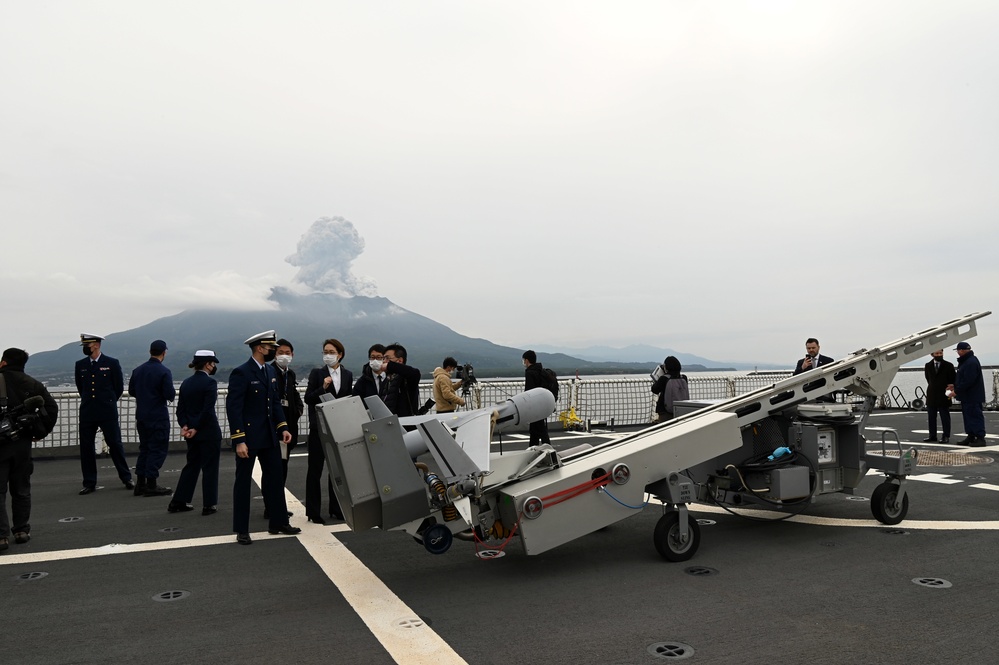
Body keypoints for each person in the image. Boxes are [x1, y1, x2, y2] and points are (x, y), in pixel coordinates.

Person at [226, 330, 300, 545]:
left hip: (269, 436)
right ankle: (241, 529)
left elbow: (274, 403)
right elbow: (234, 408)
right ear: (260, 348)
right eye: (271, 348)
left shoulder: (269, 371)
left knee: (275, 480)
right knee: (243, 483)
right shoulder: (242, 373)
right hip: (248, 438)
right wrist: (239, 439)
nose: (274, 352)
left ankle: (278, 521)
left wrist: (283, 427)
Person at [0, 348, 58, 552]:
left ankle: (1, 536)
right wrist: (39, 433)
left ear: (3, 363)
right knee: (21, 489)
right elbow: (51, 409)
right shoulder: (32, 384)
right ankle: (21, 530)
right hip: (22, 445)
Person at [75, 333, 134, 494]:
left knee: (115, 444)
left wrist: (108, 402)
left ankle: (126, 477)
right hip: (88, 411)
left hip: (107, 411)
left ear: (96, 344)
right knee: (86, 448)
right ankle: (89, 482)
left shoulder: (111, 363)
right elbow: (82, 388)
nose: (85, 348)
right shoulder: (80, 365)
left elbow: (118, 387)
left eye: (87, 345)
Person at [304, 338, 353, 523]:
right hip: (319, 428)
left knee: (337, 471)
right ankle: (313, 511)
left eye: (331, 352)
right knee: (315, 470)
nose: (327, 355)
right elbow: (309, 398)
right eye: (325, 351)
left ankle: (336, 508)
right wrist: (322, 388)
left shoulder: (347, 375)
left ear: (340, 354)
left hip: (338, 428)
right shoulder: (317, 373)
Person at [170, 350, 223, 515]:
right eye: (213, 363)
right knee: (210, 468)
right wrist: (197, 428)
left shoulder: (185, 383)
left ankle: (179, 501)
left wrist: (185, 426)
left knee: (192, 465)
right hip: (208, 432)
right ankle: (209, 504)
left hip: (191, 433)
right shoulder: (210, 384)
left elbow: (181, 409)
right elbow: (207, 410)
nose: (213, 366)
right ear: (207, 364)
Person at [128, 340, 175, 496]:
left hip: (141, 416)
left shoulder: (137, 371)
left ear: (150, 351)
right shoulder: (164, 372)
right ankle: (151, 484)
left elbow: (132, 391)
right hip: (158, 416)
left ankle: (140, 483)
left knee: (145, 448)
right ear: (164, 352)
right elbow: (170, 395)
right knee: (158, 449)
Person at [272, 338, 305, 483]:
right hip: (274, 428)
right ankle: (271, 503)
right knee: (273, 468)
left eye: (287, 353)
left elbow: (294, 393)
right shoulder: (269, 372)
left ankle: (279, 499)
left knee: (284, 465)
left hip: (290, 426)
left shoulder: (290, 374)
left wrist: (299, 409)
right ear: (274, 354)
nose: (284, 356)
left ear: (292, 355)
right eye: (280, 352)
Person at [952, 342, 987, 446]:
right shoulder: (968, 361)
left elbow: (968, 380)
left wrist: (956, 391)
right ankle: (971, 435)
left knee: (975, 416)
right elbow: (964, 379)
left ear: (961, 350)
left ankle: (980, 437)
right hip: (968, 396)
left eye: (958, 350)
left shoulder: (970, 362)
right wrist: (954, 386)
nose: (957, 352)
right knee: (968, 416)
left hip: (972, 396)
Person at [922, 349, 956, 443]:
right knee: (931, 416)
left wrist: (951, 389)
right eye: (937, 353)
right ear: (932, 354)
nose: (939, 355)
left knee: (945, 416)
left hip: (944, 393)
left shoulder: (949, 365)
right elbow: (928, 379)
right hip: (932, 393)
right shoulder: (928, 365)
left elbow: (953, 379)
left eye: (941, 353)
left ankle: (946, 436)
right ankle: (932, 435)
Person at [382, 343, 422, 417]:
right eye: (383, 358)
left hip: (406, 424)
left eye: (387, 358)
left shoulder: (407, 379)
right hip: (389, 423)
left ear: (400, 360)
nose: (384, 361)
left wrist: (390, 365)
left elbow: (415, 373)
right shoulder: (386, 381)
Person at [522, 350, 551, 445]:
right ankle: (545, 446)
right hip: (543, 403)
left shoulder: (530, 373)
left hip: (534, 406)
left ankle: (534, 448)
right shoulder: (540, 370)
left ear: (527, 360)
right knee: (541, 428)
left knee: (536, 429)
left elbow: (529, 391)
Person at [651, 356, 691, 422]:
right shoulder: (684, 378)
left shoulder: (664, 378)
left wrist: (659, 378)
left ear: (666, 367)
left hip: (665, 411)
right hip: (680, 409)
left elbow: (654, 390)